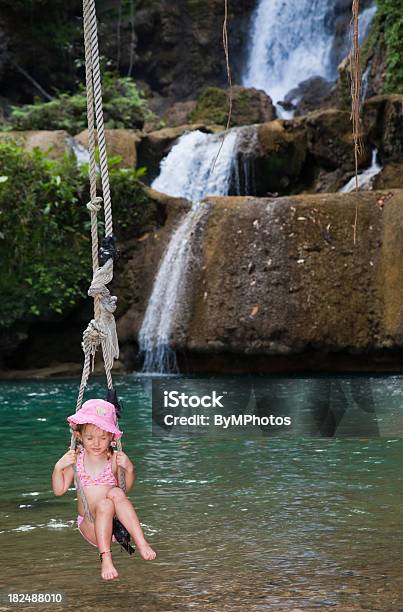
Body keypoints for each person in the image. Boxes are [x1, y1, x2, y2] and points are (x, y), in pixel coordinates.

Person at [52, 398, 156, 580]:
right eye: (90, 438)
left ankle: (141, 542)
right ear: (79, 437)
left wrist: (129, 468)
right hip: (90, 525)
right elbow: (59, 490)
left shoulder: (114, 459)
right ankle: (106, 558)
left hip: (114, 525)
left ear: (112, 438)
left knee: (115, 493)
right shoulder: (75, 459)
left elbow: (126, 490)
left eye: (103, 438)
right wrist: (58, 467)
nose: (96, 443)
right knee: (105, 505)